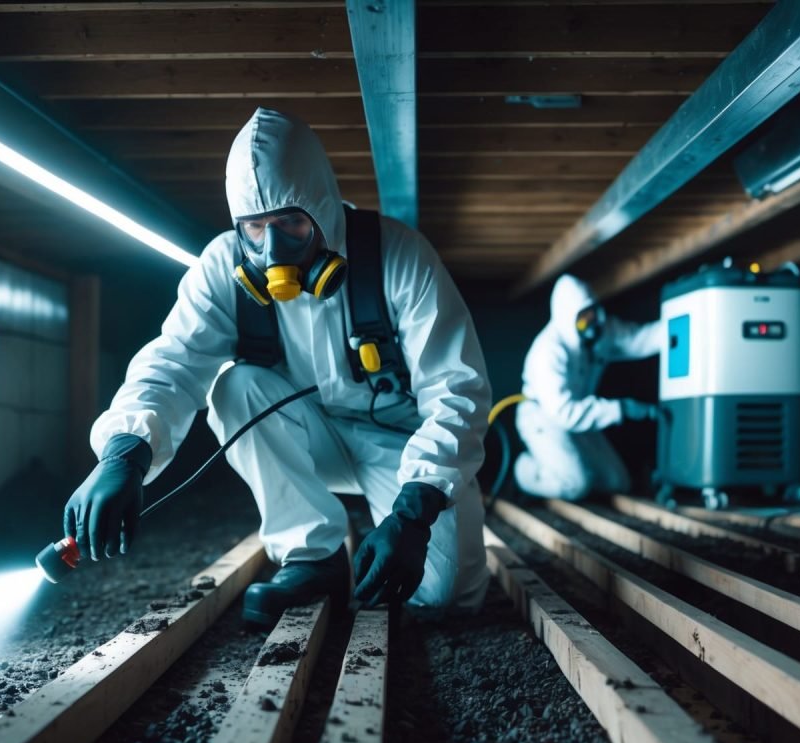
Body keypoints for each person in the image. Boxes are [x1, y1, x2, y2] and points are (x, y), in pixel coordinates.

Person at [63, 108, 492, 629]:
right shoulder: (222, 266)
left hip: (400, 448)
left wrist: (414, 513)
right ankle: (313, 555)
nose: (273, 249)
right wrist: (124, 454)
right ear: (238, 226)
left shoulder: (399, 257)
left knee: (445, 596)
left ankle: (404, 534)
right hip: (302, 438)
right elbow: (174, 363)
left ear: (322, 208)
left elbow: (457, 391)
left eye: (291, 223)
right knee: (234, 386)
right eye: (255, 227)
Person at [513, 274, 662, 500]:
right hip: (545, 419)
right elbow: (562, 412)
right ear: (566, 318)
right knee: (575, 484)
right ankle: (523, 471)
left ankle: (566, 466)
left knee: (617, 482)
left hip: (581, 415)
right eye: (582, 319)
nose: (591, 324)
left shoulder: (602, 332)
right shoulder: (549, 351)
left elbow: (640, 339)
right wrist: (621, 409)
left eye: (593, 315)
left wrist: (684, 320)